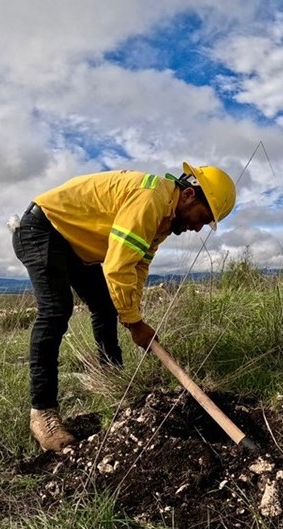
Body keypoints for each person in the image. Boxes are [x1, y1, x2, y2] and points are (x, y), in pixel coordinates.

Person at [13, 162, 236, 451]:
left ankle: (112, 380)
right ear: (189, 195)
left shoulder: (165, 218)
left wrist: (134, 315)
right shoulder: (151, 199)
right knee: (56, 310)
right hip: (43, 229)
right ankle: (42, 413)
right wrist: (134, 324)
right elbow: (117, 267)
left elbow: (138, 267)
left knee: (105, 306)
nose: (198, 227)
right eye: (203, 218)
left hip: (74, 246)